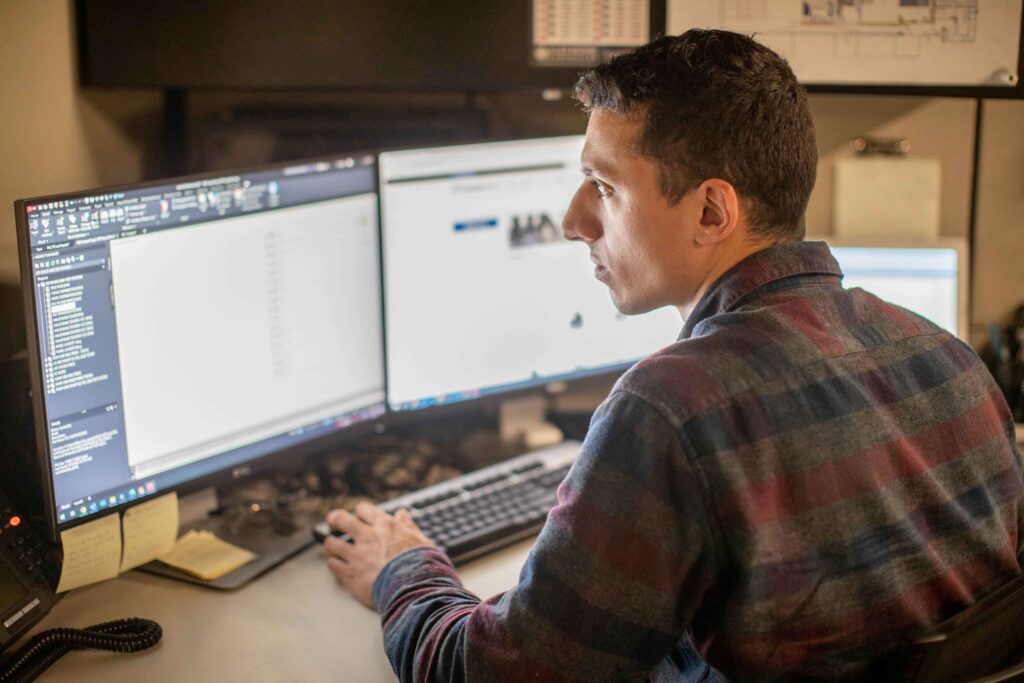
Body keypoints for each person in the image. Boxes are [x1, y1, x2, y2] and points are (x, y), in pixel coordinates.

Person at [322, 29, 1024, 681]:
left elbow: (496, 671)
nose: (572, 222)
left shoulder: (669, 408)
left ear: (712, 213)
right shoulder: (946, 355)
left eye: (603, 187)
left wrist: (403, 566)